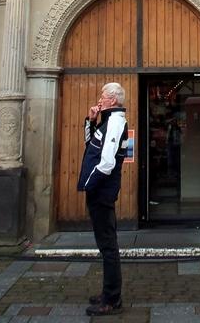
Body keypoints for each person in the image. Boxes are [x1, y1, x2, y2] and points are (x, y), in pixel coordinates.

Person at [77, 83, 128, 316]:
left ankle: (112, 299)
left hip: (102, 192)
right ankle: (108, 293)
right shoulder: (106, 122)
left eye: (104, 96)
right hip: (99, 190)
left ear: (114, 100)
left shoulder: (116, 122)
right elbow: (91, 146)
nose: (100, 99)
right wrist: (91, 121)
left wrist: (89, 184)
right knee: (104, 244)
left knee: (108, 246)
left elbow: (107, 162)